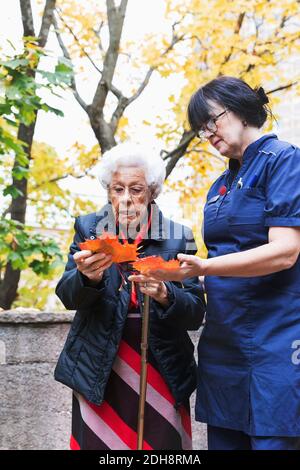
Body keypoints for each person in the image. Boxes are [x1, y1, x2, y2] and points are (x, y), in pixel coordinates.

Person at [144, 77, 300, 450]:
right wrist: (171, 280)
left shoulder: (284, 160)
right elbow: (211, 259)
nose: (208, 133)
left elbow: (286, 251)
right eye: (201, 129)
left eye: (212, 121)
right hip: (223, 343)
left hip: (275, 340)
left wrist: (204, 269)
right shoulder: (219, 186)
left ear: (242, 111)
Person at [54, 143, 205, 450]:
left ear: (151, 193)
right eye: (117, 189)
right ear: (108, 192)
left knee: (159, 447)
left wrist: (165, 294)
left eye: (135, 189)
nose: (125, 199)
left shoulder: (178, 236)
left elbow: (195, 312)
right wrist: (88, 278)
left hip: (161, 362)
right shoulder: (89, 228)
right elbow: (68, 296)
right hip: (100, 361)